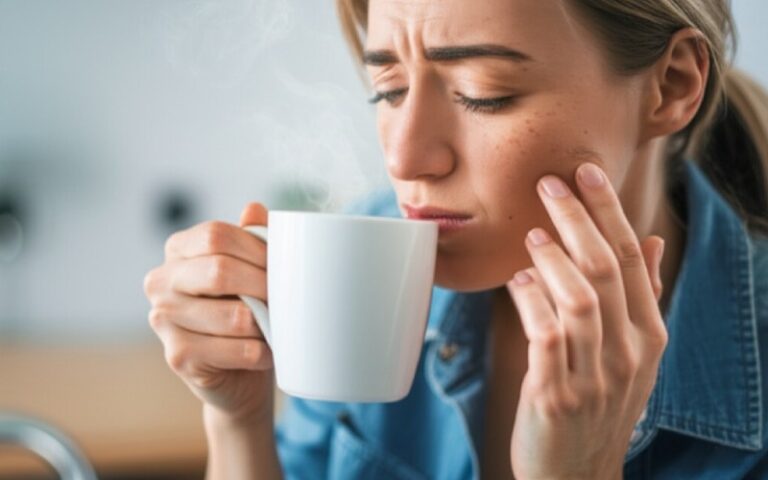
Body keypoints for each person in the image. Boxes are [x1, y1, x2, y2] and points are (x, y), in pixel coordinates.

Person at [143, 0, 768, 478]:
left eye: (483, 95)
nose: (404, 158)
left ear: (672, 86)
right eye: (389, 90)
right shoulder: (363, 264)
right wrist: (237, 420)